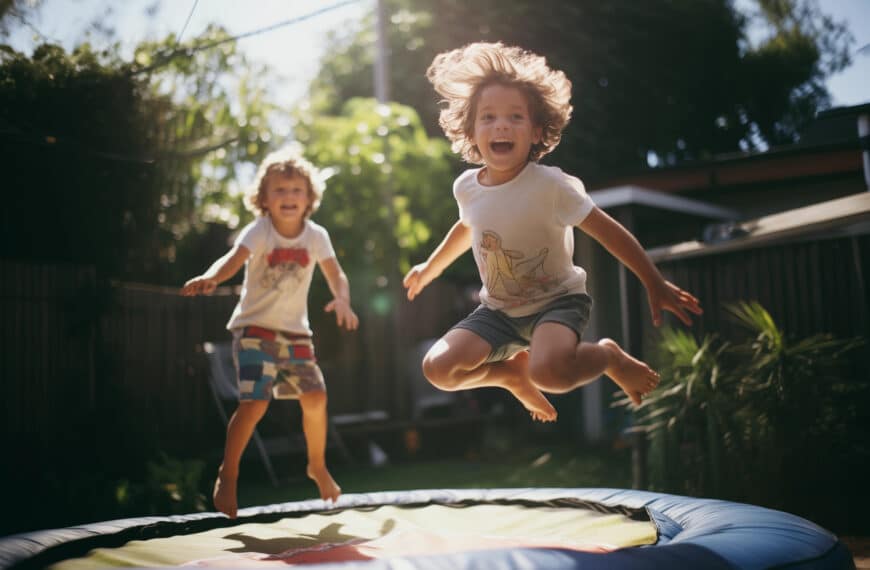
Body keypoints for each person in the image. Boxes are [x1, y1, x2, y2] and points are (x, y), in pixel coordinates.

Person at [403, 42, 702, 422]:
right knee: (438, 369)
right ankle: (509, 375)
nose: (501, 125)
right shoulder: (467, 187)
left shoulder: (551, 186)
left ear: (536, 132)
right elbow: (467, 228)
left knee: (550, 375)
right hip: (498, 310)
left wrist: (653, 281)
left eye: (515, 117)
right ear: (471, 131)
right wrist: (430, 267)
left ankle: (607, 357)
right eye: (488, 117)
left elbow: (609, 232)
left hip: (557, 302)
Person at [182, 145, 358, 517]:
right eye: (279, 190)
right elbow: (234, 259)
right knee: (255, 403)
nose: (288, 196)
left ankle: (317, 465)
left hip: (295, 334)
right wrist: (212, 277)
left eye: (296, 190)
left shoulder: (316, 236)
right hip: (255, 330)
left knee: (316, 397)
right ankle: (228, 473)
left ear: (309, 198)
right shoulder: (260, 230)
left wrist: (342, 298)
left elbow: (335, 274)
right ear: (263, 198)